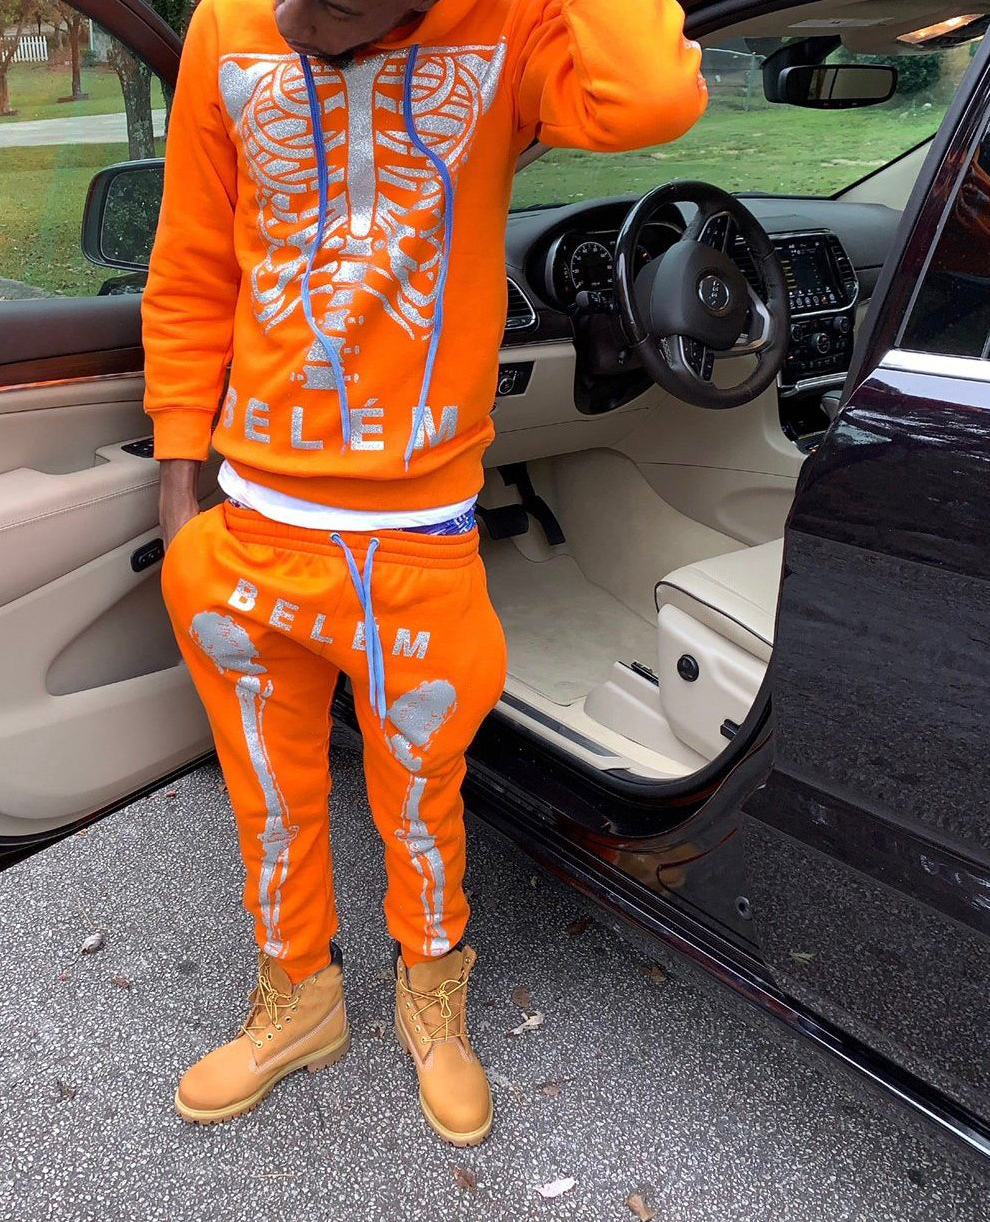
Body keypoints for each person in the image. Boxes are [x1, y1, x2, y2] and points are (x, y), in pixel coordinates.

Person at [143, 0, 706, 1146]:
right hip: (256, 526)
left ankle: (431, 992)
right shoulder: (225, 27)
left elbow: (649, 92)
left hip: (416, 537)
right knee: (269, 799)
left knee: (420, 800)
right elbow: (193, 260)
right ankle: (297, 994)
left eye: (339, 5)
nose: (299, 22)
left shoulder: (508, 27)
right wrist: (175, 461)